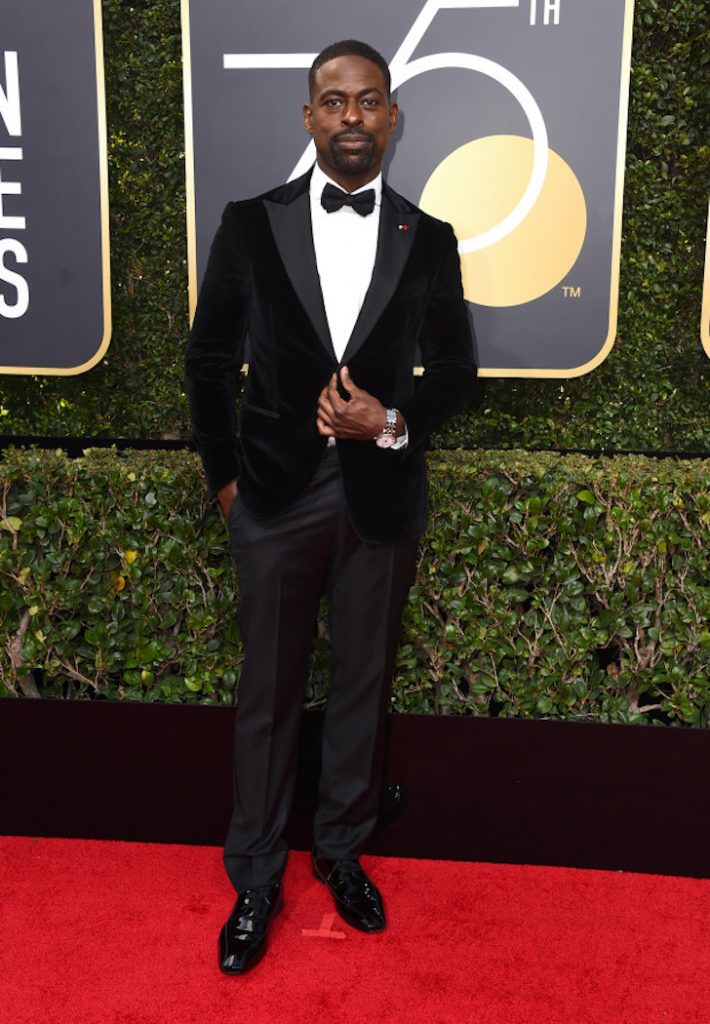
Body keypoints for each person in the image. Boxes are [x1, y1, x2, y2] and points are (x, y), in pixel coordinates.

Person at [185, 39, 477, 975]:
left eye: (369, 100)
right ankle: (256, 876)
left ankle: (343, 852)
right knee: (266, 693)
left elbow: (457, 369)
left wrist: (388, 420)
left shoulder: (429, 237)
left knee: (361, 683)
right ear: (310, 117)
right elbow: (206, 360)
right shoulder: (250, 223)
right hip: (272, 496)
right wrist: (227, 485)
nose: (353, 116)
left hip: (379, 493)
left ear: (392, 116)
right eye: (335, 101)